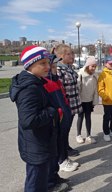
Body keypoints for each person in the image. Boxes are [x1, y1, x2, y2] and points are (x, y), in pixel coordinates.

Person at [9, 46, 68, 192]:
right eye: (42, 63)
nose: (48, 66)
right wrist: (52, 111)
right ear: (30, 65)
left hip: (40, 142)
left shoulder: (36, 82)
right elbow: (28, 120)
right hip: (36, 145)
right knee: (35, 184)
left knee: (40, 181)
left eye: (48, 62)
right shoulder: (29, 88)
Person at [44, 54, 79, 175]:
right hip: (58, 115)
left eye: (55, 66)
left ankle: (64, 158)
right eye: (53, 66)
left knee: (63, 136)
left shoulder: (55, 80)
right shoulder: (48, 82)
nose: (55, 69)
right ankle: (61, 161)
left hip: (65, 111)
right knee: (59, 137)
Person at [55, 44, 82, 157]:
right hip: (65, 106)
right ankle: (62, 153)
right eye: (69, 54)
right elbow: (59, 91)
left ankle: (65, 146)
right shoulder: (58, 70)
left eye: (72, 53)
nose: (72, 56)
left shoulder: (69, 68)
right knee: (63, 130)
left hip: (72, 105)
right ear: (61, 56)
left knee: (66, 129)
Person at [76, 56, 99, 144]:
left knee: (88, 117)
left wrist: (95, 101)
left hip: (89, 100)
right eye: (92, 66)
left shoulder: (94, 76)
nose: (93, 68)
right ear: (87, 65)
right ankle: (78, 135)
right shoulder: (81, 74)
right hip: (81, 100)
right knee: (80, 117)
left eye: (95, 66)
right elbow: (78, 88)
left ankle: (89, 135)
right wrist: (77, 100)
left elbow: (95, 90)